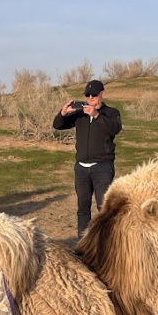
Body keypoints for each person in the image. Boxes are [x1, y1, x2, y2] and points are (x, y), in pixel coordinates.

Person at [53, 79, 122, 238]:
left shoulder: (111, 113)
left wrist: (96, 115)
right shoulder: (80, 114)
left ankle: (106, 241)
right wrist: (63, 113)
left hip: (102, 168)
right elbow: (58, 125)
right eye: (88, 95)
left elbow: (114, 129)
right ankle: (83, 243)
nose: (90, 98)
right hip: (81, 169)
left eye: (94, 95)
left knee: (103, 207)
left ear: (102, 94)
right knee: (83, 208)